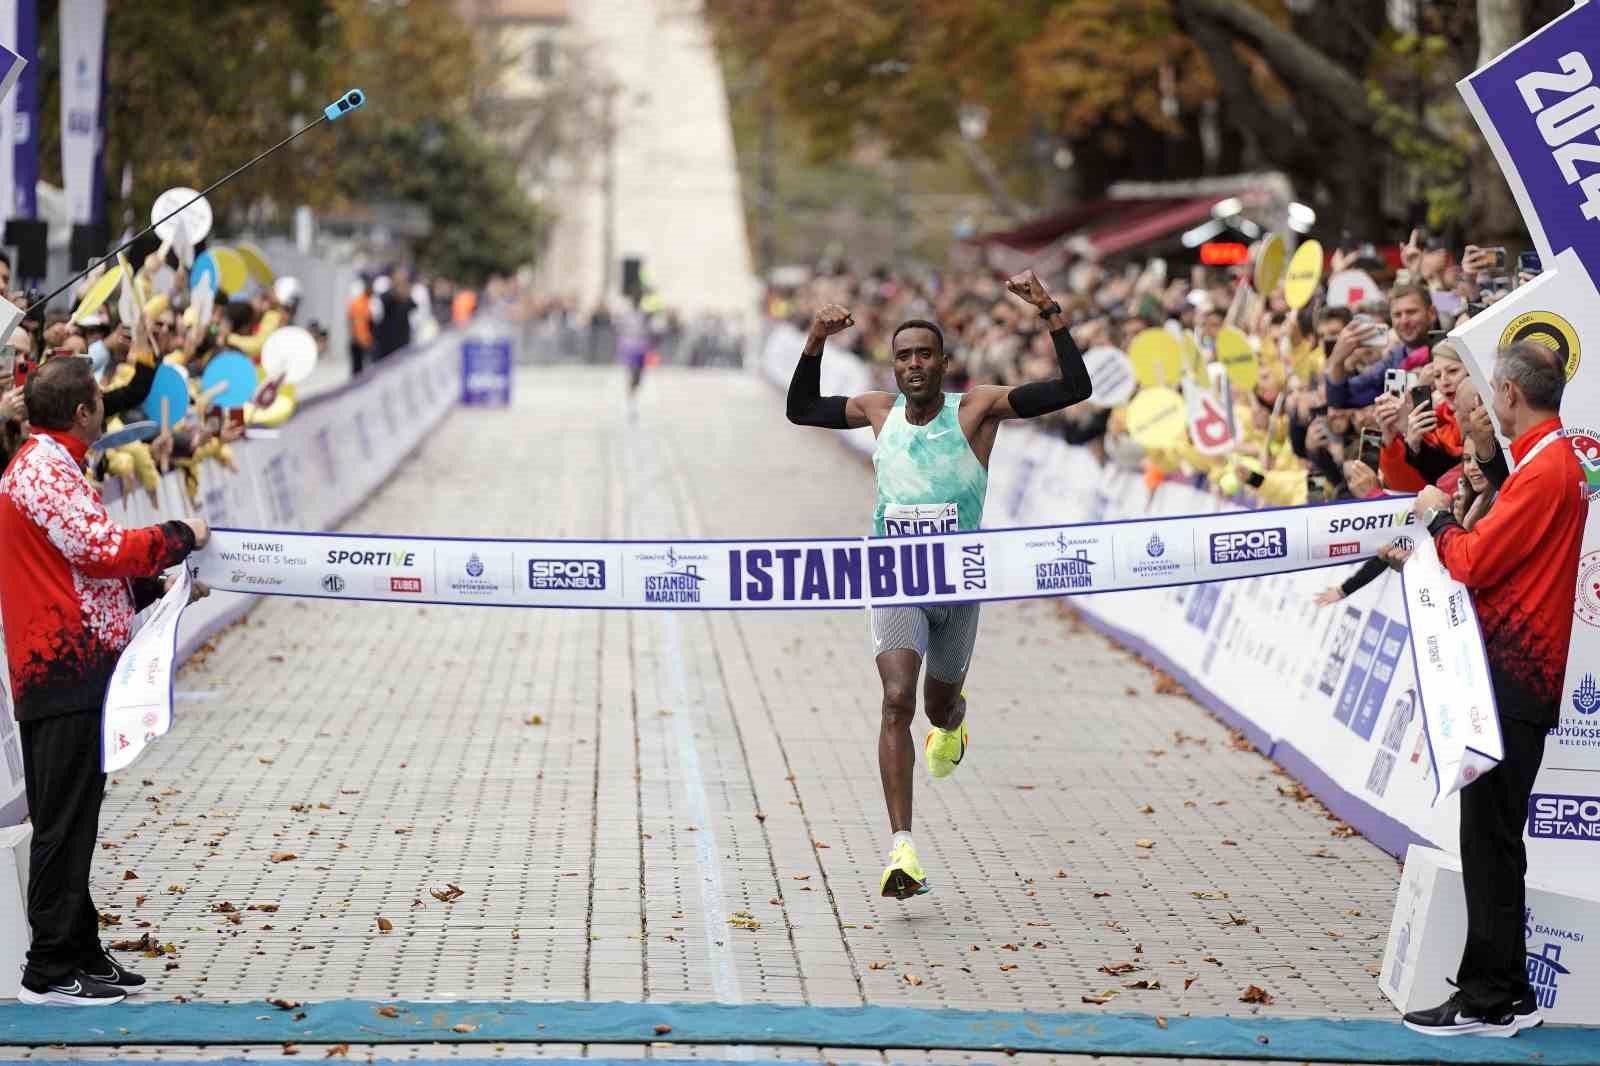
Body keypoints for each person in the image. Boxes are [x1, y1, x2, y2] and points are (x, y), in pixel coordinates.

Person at [785, 269, 1091, 899]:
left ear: (944, 362)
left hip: (958, 586)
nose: (914, 365)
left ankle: (954, 719)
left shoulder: (977, 409)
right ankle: (903, 850)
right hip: (895, 577)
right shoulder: (878, 411)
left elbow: (1074, 388)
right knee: (897, 697)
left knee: (935, 705)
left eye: (925, 354)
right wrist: (815, 338)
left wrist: (1049, 311)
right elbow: (800, 410)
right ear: (892, 366)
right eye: (903, 357)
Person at [0, 357, 210, 1006]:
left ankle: (80, 950)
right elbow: (99, 549)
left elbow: (81, 566)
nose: (105, 407)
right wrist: (180, 535)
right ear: (85, 413)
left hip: (76, 665)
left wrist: (152, 589)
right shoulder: (41, 470)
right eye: (100, 400)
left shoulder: (51, 464)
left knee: (76, 818)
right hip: (60, 669)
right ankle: (48, 969)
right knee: (63, 822)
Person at [1402, 340, 1586, 1037]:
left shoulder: (1546, 468)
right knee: (1496, 842)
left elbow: (1473, 561)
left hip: (1513, 678)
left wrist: (1438, 513)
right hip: (1512, 675)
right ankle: (1503, 990)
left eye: (1488, 390)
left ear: (1510, 393)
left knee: (1489, 842)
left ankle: (1489, 997)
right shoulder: (1548, 460)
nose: (1481, 402)